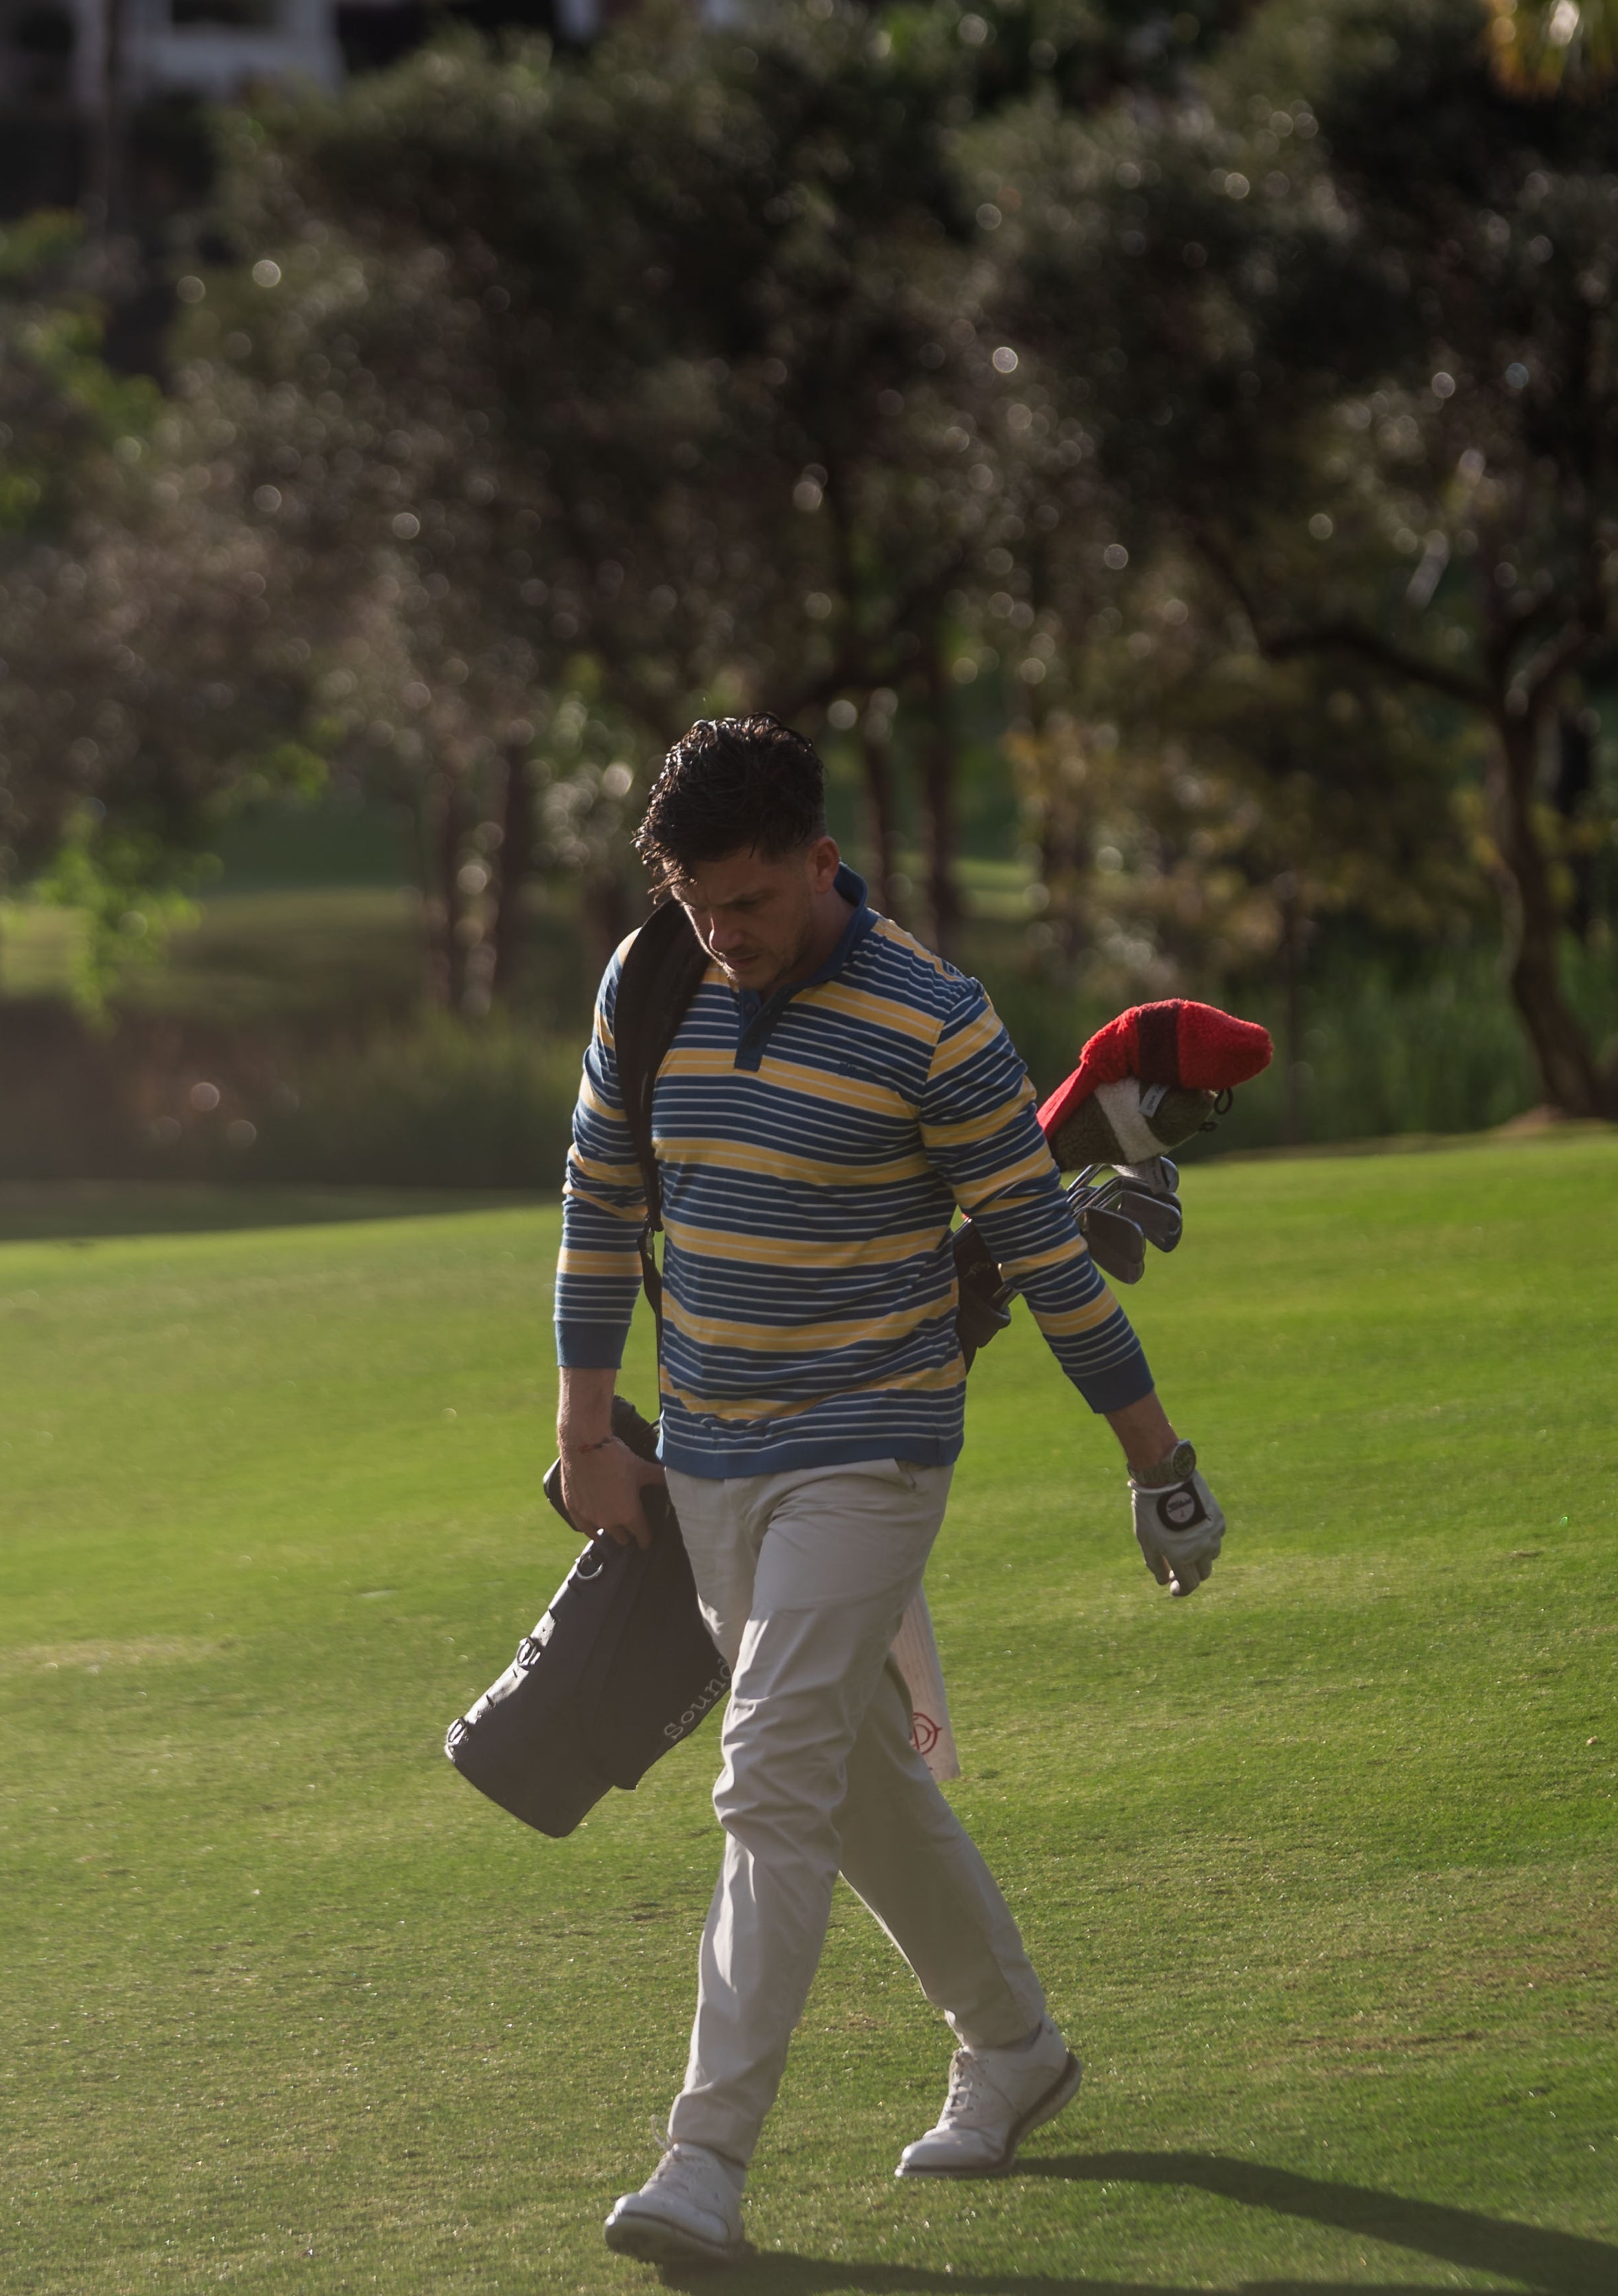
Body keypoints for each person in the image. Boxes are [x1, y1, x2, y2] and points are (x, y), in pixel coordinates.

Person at [557, 716, 1227, 2273]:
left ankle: (703, 2163)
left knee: (770, 1778)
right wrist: (591, 1433)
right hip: (709, 1467)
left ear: (821, 861)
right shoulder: (652, 981)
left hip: (871, 1454)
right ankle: (1015, 2049)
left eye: (757, 903)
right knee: (852, 1782)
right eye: (703, 906)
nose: (730, 938)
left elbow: (1050, 1260)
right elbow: (600, 1202)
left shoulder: (935, 1022)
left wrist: (1160, 1467)